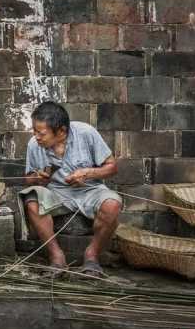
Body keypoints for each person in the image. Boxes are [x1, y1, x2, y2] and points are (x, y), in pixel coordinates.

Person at [21, 101, 122, 278]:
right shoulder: (34, 144)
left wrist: (88, 172)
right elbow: (29, 179)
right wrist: (37, 179)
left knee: (112, 204)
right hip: (56, 192)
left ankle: (92, 256)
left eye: (41, 133)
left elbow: (112, 167)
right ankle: (57, 258)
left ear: (61, 131)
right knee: (32, 201)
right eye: (34, 131)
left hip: (90, 190)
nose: (36, 136)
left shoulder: (86, 133)